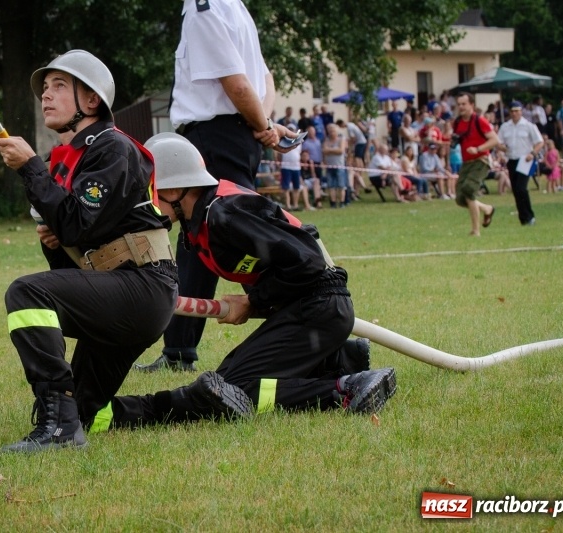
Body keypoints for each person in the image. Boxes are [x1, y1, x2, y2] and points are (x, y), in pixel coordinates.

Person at [87, 133, 396, 434]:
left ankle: (344, 388)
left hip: (317, 309)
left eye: (152, 192)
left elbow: (308, 260)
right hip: (307, 312)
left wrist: (252, 301)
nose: (149, 203)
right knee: (226, 382)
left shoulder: (225, 213)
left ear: (176, 189)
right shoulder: (203, 217)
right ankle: (337, 361)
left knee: (230, 390)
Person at [0, 49, 179, 453]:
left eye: (59, 86)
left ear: (92, 100)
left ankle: (59, 430)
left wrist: (30, 168)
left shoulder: (112, 148)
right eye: (45, 87)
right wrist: (55, 241)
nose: (46, 94)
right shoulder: (66, 160)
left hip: (142, 288)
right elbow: (70, 256)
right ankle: (187, 404)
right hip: (119, 287)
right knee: (84, 412)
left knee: (26, 293)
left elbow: (76, 223)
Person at [138, 0, 296, 372]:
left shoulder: (205, 8)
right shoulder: (235, 8)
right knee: (207, 239)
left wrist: (264, 126)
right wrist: (264, 125)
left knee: (238, 237)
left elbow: (239, 85)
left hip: (216, 137)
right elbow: (264, 80)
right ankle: (179, 351)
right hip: (235, 135)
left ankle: (303, 328)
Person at [452, 93, 498, 236]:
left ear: (472, 105)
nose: (461, 107)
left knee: (468, 189)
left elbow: (494, 140)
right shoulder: (457, 122)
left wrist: (478, 149)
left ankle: (475, 231)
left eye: (464, 104)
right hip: (466, 162)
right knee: (460, 198)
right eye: (459, 104)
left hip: (481, 160)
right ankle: (487, 209)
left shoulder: (480, 121)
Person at [497, 101, 544, 226]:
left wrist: (532, 153)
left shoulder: (529, 126)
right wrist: (502, 149)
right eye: (512, 111)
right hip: (511, 159)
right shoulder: (505, 126)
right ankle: (523, 218)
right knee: (516, 190)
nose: (514, 114)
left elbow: (540, 142)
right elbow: (498, 142)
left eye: (516, 111)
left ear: (521, 112)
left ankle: (529, 216)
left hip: (525, 160)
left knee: (521, 188)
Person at [323, 123, 347, 208]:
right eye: (330, 131)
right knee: (331, 186)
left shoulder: (341, 139)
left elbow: (341, 151)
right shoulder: (326, 140)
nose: (331, 133)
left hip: (339, 166)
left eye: (333, 131)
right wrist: (334, 150)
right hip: (329, 166)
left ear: (336, 131)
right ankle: (333, 203)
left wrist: (329, 150)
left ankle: (342, 202)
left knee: (341, 185)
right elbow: (324, 151)